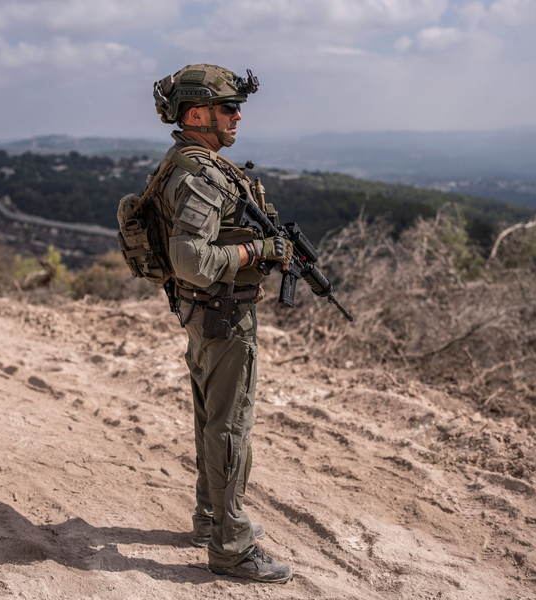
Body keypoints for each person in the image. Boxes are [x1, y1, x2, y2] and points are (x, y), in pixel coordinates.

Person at [151, 64, 293, 584]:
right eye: (229, 108)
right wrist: (261, 249)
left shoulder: (191, 164)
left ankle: (211, 516)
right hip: (222, 315)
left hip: (206, 312)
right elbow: (191, 258)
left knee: (213, 419)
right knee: (230, 427)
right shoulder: (199, 174)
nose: (237, 118)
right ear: (196, 114)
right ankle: (231, 547)